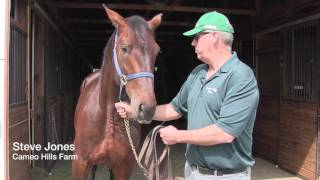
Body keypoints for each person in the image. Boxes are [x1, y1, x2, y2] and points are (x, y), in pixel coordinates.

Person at [115, 11, 259, 180]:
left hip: (225, 176)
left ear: (214, 37)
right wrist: (135, 112)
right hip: (192, 171)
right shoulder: (197, 73)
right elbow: (173, 109)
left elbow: (224, 133)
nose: (192, 43)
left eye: (197, 37)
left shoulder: (240, 76)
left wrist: (178, 136)